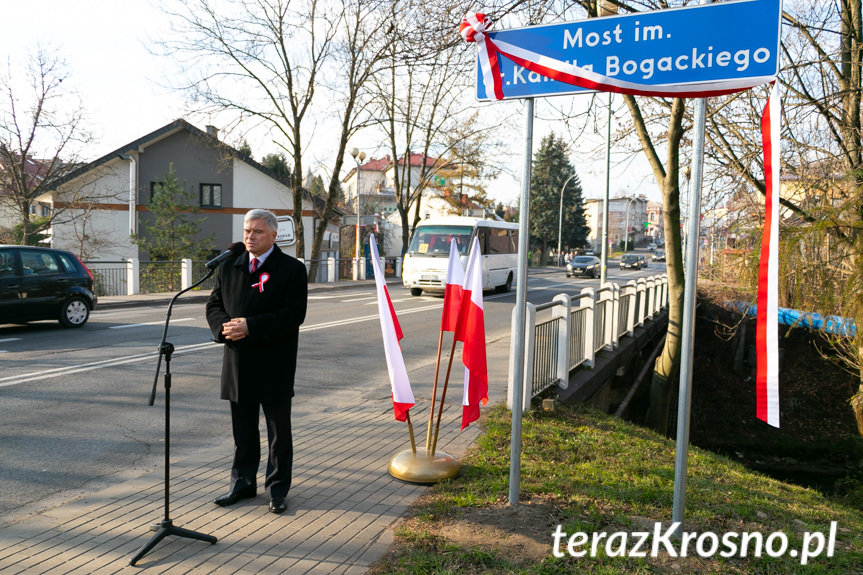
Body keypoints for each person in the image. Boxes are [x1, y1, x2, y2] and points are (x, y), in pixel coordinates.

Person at [206, 209, 308, 514]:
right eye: (247, 231)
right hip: (238, 360)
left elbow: (294, 315)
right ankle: (242, 483)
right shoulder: (229, 265)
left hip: (274, 361)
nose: (250, 237)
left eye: (257, 232)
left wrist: (251, 326)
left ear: (274, 236)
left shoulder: (291, 269)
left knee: (278, 431)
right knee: (243, 430)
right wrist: (224, 327)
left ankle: (277, 489)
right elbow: (213, 304)